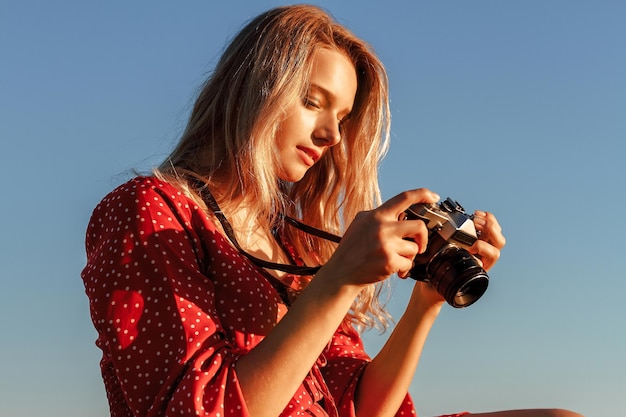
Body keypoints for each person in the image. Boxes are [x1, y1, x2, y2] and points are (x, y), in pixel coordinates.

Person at [81, 5, 583, 417]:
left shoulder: (292, 245)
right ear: (253, 89)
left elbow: (363, 408)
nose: (332, 135)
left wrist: (427, 299)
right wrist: (338, 279)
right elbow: (197, 411)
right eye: (312, 101)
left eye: (342, 116)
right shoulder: (150, 209)